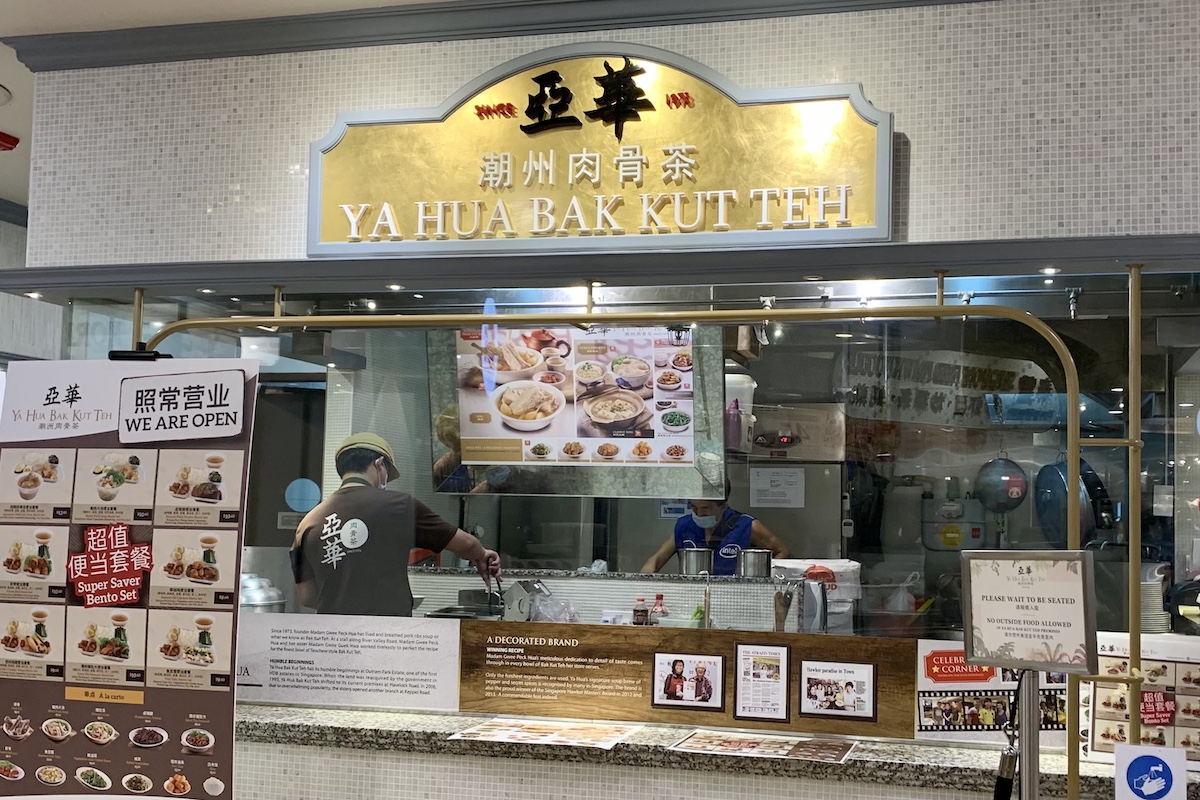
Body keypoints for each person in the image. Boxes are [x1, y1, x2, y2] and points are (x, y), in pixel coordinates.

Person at [291, 432, 501, 616]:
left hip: (334, 636)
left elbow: (307, 596)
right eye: (387, 473)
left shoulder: (308, 523)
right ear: (379, 464)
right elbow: (466, 544)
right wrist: (482, 555)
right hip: (390, 634)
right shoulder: (399, 505)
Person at [640, 482, 789, 575]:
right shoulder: (684, 526)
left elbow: (782, 551)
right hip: (693, 595)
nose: (699, 513)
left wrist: (765, 579)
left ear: (723, 506)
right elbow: (656, 559)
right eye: (694, 507)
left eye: (705, 508)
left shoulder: (747, 526)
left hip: (736, 595)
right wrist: (643, 583)